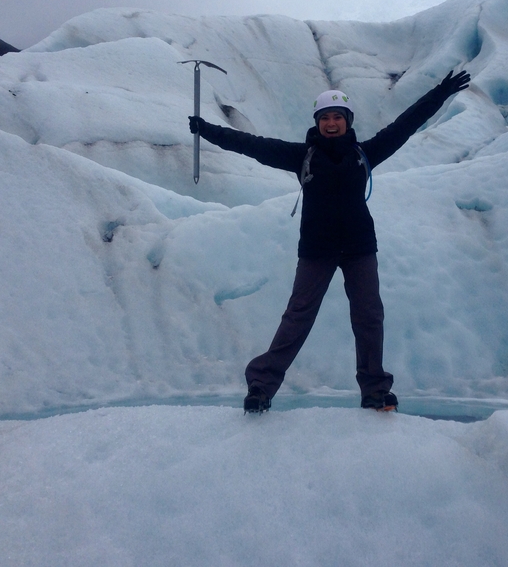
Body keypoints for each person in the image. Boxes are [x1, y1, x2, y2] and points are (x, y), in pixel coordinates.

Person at [188, 69, 471, 413]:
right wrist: (207, 130)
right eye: (326, 117)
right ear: (317, 122)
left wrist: (439, 94)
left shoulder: (365, 153)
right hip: (317, 250)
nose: (332, 123)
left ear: (348, 121)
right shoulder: (301, 156)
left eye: (338, 117)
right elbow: (252, 145)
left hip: (359, 248)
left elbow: (405, 125)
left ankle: (375, 389)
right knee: (297, 317)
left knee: (369, 317)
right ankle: (261, 386)